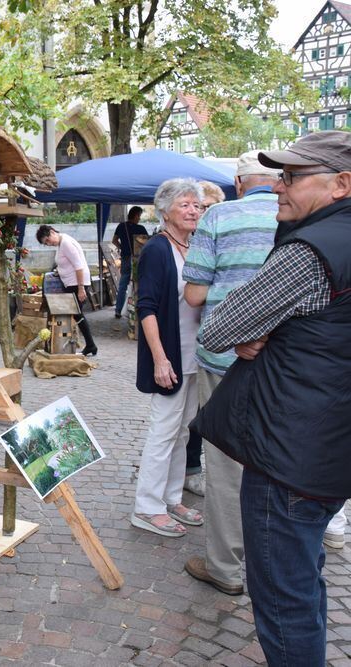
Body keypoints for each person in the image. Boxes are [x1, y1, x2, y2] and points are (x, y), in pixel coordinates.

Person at [194, 130, 351, 664]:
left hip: (290, 448)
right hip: (327, 442)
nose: (278, 188)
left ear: (341, 185)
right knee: (303, 579)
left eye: (291, 177)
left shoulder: (310, 250)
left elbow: (218, 328)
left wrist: (259, 331)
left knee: (283, 595)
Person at [178, 152, 280, 596]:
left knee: (225, 466)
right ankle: (275, 563)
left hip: (225, 362)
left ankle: (225, 566)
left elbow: (195, 294)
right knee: (279, 462)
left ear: (240, 182)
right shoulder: (302, 215)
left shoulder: (219, 215)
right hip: (287, 366)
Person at [129, 178, 204, 537]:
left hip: (194, 357)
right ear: (165, 211)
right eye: (185, 204)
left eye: (197, 205)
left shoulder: (193, 245)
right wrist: (160, 359)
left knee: (183, 432)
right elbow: (146, 308)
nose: (193, 210)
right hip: (171, 356)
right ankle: (146, 506)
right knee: (163, 431)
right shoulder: (158, 249)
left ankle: (171, 498)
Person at [181, 180, 228, 497]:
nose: (200, 212)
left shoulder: (218, 236)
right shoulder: (184, 241)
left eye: (206, 207)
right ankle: (191, 468)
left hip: (211, 338)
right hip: (190, 340)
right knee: (193, 414)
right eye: (197, 206)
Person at [36, 225, 98, 355]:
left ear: (52, 232)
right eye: (46, 244)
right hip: (71, 282)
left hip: (77, 283)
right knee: (76, 314)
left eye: (47, 240)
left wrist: (81, 288)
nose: (49, 243)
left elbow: (79, 266)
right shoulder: (61, 243)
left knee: (77, 313)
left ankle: (90, 344)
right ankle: (87, 344)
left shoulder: (66, 243)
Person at [111, 206, 149, 319]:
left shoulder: (121, 226)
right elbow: (147, 243)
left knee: (123, 285)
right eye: (139, 216)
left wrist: (123, 248)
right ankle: (137, 309)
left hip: (126, 258)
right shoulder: (141, 228)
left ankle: (118, 311)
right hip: (138, 259)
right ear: (136, 215)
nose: (139, 218)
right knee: (138, 284)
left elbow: (114, 240)